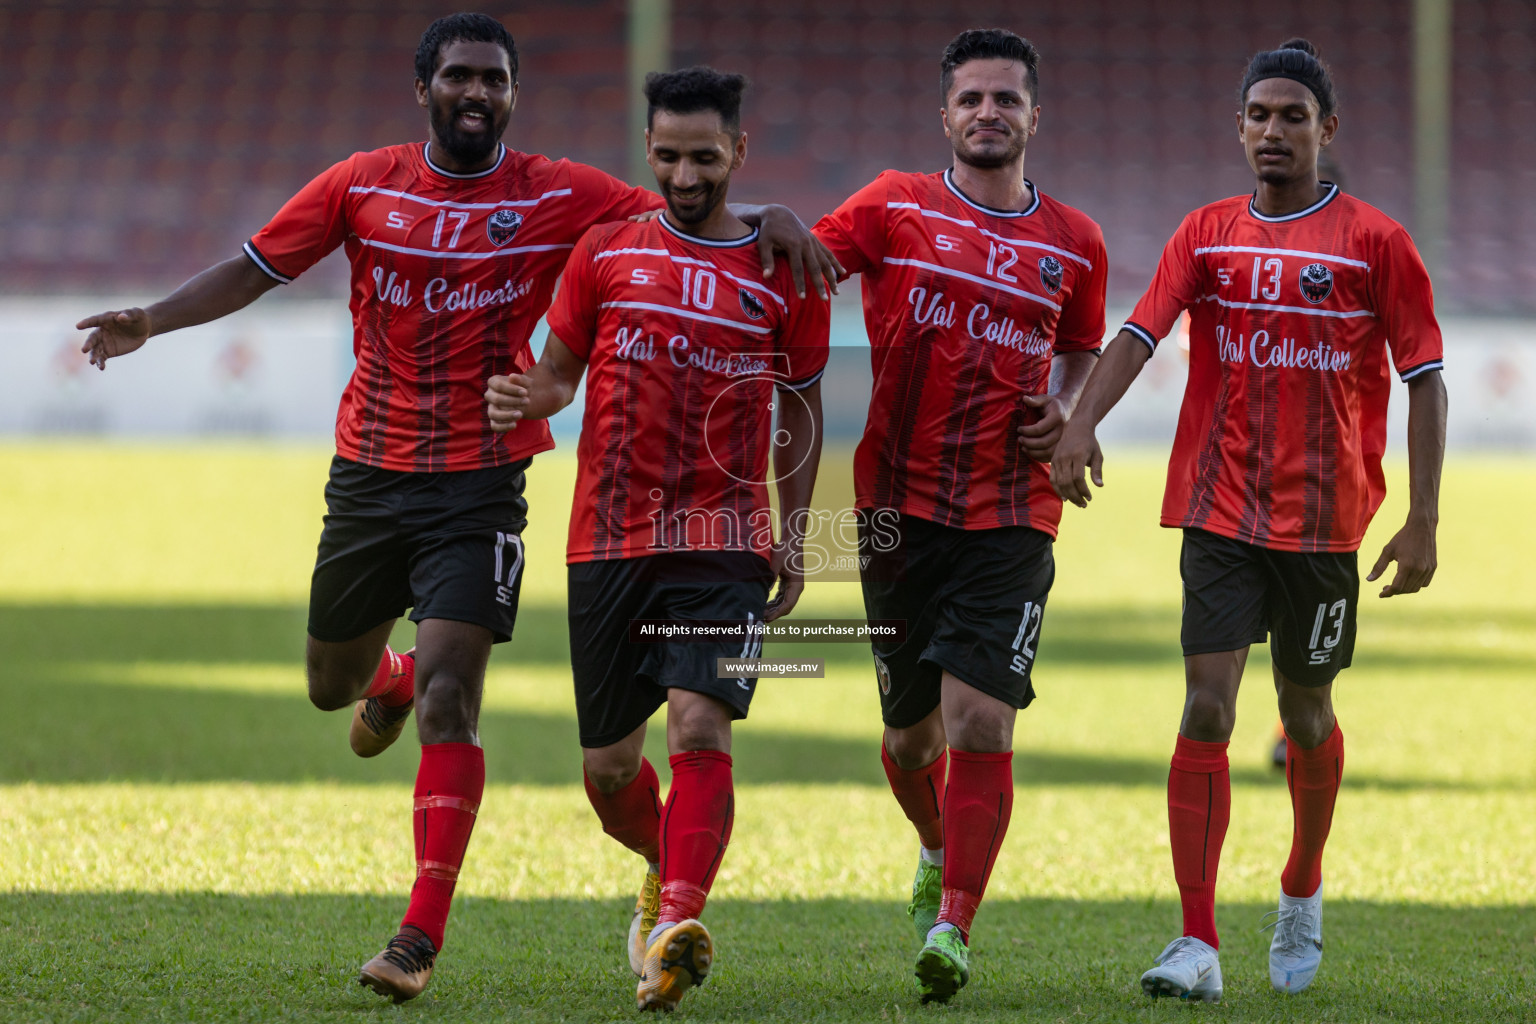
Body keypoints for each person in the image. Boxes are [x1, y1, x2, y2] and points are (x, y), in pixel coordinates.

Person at [74, 13, 837, 1005]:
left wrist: (774, 209)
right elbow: (258, 266)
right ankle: (380, 673)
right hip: (368, 477)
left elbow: (687, 201)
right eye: (461, 77)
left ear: (514, 94)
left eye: (496, 80)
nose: (478, 93)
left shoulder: (564, 194)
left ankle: (417, 937)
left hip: (482, 486)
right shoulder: (361, 183)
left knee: (454, 699)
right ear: (426, 87)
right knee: (327, 681)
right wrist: (153, 318)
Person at [1051, 39, 1446, 1003]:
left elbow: (1426, 380)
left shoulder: (1375, 241)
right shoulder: (1207, 233)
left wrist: (1425, 518)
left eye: (1293, 116)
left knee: (1307, 714)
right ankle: (1196, 941)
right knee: (1207, 708)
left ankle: (1301, 885)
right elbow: (1140, 334)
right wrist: (1078, 426)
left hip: (1323, 526)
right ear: (1239, 128)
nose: (1274, 131)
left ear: (1326, 130)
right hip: (1219, 510)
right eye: (1259, 116)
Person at [484, 66, 829, 1013]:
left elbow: (802, 403)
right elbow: (560, 376)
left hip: (725, 538)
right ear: (649, 151)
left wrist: (795, 535)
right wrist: (528, 395)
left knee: (700, 724)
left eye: (706, 157)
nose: (687, 174)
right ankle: (660, 862)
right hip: (608, 538)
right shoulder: (605, 253)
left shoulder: (784, 270)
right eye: (670, 155)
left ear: (739, 154)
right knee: (609, 772)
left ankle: (678, 922)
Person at [811, 28, 1108, 1005]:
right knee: (908, 742)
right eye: (972, 99)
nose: (990, 113)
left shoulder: (1077, 241)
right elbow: (810, 264)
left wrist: (1071, 411)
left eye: (1007, 99)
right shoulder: (892, 203)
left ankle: (954, 927)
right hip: (895, 511)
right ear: (945, 115)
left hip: (1012, 511)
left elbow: (1079, 352)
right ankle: (937, 846)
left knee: (981, 718)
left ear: (1034, 115)